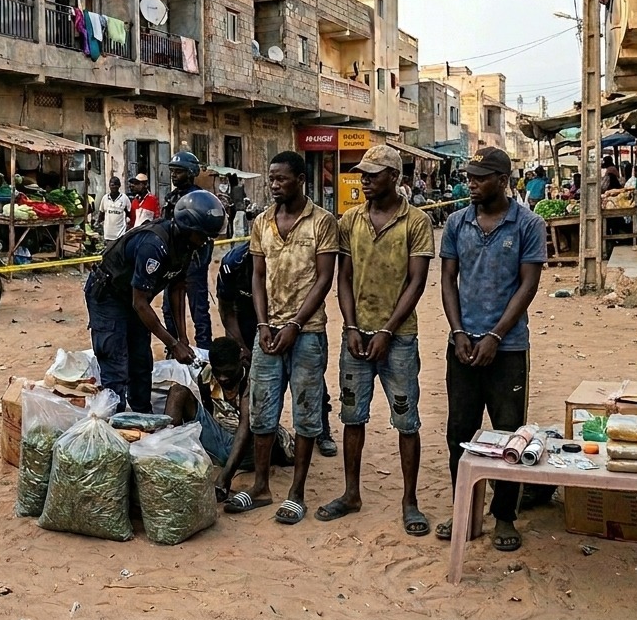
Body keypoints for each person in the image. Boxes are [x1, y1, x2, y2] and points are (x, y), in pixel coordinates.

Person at [316, 145, 434, 536]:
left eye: (373, 174)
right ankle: (351, 494)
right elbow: (343, 278)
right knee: (353, 417)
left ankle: (410, 500)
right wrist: (351, 326)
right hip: (357, 336)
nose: (364, 179)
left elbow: (416, 282)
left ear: (394, 177)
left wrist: (386, 330)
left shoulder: (415, 222)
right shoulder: (350, 220)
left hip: (398, 338)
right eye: (362, 173)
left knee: (406, 420)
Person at [436, 146, 546, 552]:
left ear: (502, 181)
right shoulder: (456, 223)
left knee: (507, 436)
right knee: (459, 434)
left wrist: (496, 337)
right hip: (463, 346)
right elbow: (448, 280)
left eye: (480, 178)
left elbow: (527, 286)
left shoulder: (528, 225)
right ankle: (463, 509)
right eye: (470, 177)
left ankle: (504, 516)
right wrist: (459, 331)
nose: (472, 184)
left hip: (508, 349)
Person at [224, 151, 338, 525]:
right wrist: (263, 324)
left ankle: (297, 492)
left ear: (301, 179)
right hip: (268, 333)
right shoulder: (262, 223)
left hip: (307, 334)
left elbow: (324, 279)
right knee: (262, 412)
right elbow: (258, 276)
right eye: (271, 178)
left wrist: (294, 324)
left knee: (306, 413)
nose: (274, 185)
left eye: (281, 179)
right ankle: (260, 487)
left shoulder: (322, 223)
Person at [85, 191, 225, 413]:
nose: (207, 241)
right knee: (116, 363)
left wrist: (183, 338)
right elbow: (140, 303)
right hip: (109, 297)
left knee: (141, 362)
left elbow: (177, 289)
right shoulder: (154, 246)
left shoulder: (187, 247)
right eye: (204, 235)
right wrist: (172, 344)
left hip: (133, 298)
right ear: (189, 229)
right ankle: (115, 423)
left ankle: (142, 416)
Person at [163, 336, 294, 502]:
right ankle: (166, 458)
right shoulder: (207, 375)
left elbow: (246, 428)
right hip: (219, 439)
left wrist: (225, 477)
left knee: (250, 428)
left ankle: (226, 470)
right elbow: (207, 414)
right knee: (178, 392)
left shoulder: (253, 380)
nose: (223, 378)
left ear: (240, 361)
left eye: (229, 372)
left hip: (247, 450)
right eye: (219, 372)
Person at [161, 152, 214, 351]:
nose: (174, 176)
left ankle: (204, 350)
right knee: (169, 308)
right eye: (172, 171)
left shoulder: (200, 198)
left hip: (193, 261)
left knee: (198, 308)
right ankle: (174, 347)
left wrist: (201, 260)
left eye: (179, 172)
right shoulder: (171, 197)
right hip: (174, 260)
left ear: (191, 173)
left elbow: (208, 234)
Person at [95, 176, 131, 243]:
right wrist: (97, 224)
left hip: (120, 234)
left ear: (119, 185)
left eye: (116, 185)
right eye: (112, 185)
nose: (114, 187)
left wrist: (127, 226)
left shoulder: (124, 198)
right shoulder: (105, 198)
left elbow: (129, 214)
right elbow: (101, 214)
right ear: (109, 186)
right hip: (108, 234)